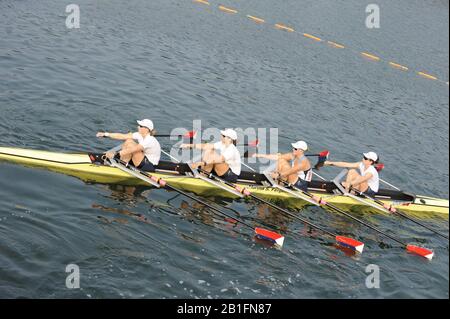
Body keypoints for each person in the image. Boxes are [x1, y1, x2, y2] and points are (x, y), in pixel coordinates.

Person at [96, 119, 161, 172]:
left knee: (132, 147)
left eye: (140, 126)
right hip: (142, 159)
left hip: (149, 166)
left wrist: (115, 154)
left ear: (147, 129)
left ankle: (119, 164)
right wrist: (105, 134)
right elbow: (122, 136)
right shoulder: (139, 135)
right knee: (128, 140)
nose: (138, 127)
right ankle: (121, 162)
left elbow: (133, 149)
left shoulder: (149, 140)